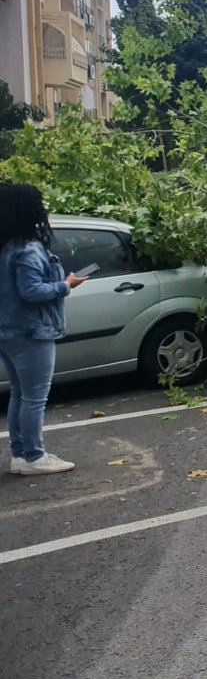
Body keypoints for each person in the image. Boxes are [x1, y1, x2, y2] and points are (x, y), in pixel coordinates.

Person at [0, 184, 88, 475]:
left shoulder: (7, 246)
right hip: (32, 332)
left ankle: (20, 456)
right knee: (35, 397)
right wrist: (67, 285)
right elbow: (31, 290)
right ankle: (35, 457)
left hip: (9, 332)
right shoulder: (28, 248)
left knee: (20, 394)